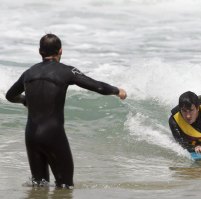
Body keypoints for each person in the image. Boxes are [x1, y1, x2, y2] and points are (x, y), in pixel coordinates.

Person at [6, 33, 127, 189]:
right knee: (64, 187)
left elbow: (10, 95)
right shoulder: (67, 71)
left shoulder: (28, 73)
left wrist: (24, 100)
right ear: (60, 51)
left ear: (39, 51)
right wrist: (117, 91)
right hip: (53, 135)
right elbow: (97, 86)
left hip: (31, 135)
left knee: (38, 186)